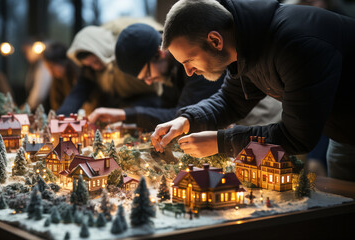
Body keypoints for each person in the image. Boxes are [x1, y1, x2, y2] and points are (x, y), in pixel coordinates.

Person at [150, 0, 355, 181]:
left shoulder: (296, 45)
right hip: (343, 135)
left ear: (215, 41)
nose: (189, 71)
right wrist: (187, 120)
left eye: (189, 60)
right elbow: (231, 101)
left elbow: (296, 136)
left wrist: (221, 142)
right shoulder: (246, 43)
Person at [89, 23, 282, 131]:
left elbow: (183, 115)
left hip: (262, 121)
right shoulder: (167, 70)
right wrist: (130, 122)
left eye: (147, 73)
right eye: (143, 79)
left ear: (160, 53)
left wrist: (125, 114)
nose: (148, 81)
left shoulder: (195, 63)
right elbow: (167, 111)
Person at [56, 20, 162, 116]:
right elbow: (78, 93)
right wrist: (61, 116)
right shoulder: (91, 71)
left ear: (102, 51)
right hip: (122, 103)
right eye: (90, 65)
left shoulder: (127, 53)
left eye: (96, 61)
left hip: (149, 101)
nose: (96, 67)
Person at [43, 42, 79, 111]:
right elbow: (56, 103)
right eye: (49, 69)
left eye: (52, 68)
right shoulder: (57, 78)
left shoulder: (78, 75)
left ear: (62, 62)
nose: (51, 73)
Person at [22, 39, 52, 110]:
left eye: (26, 52)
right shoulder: (35, 65)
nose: (26, 56)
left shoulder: (43, 64)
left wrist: (27, 107)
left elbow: (39, 92)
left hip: (44, 108)